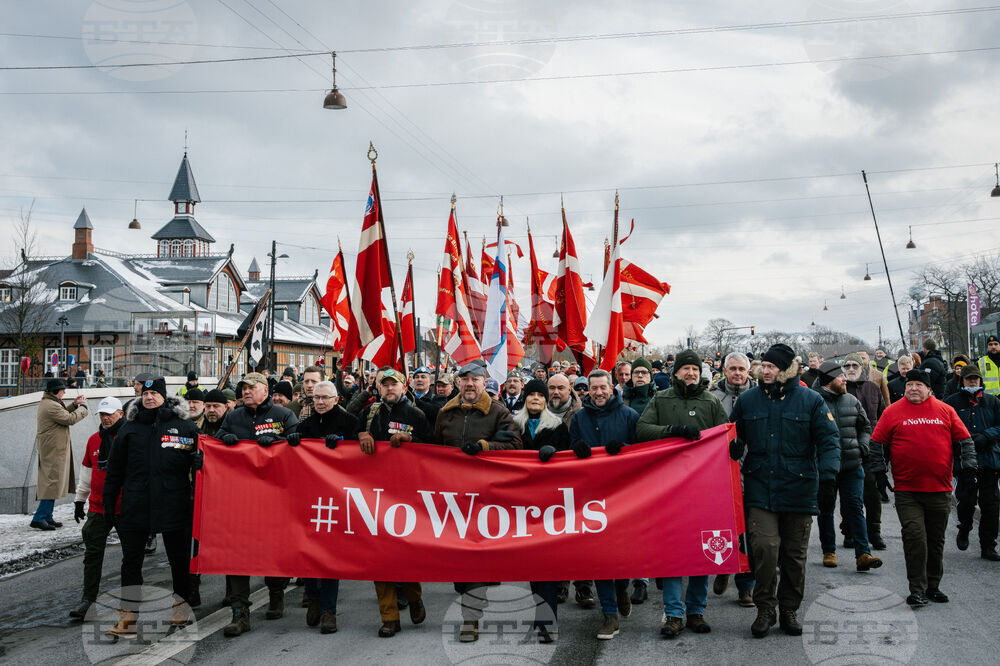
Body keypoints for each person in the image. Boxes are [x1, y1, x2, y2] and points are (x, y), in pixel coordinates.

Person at [730, 343, 840, 638]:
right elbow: (728, 434)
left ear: (788, 369)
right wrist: (733, 447)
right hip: (759, 487)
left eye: (771, 366)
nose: (765, 370)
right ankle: (765, 607)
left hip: (799, 488)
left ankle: (789, 608)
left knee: (794, 554)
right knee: (765, 548)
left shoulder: (811, 400)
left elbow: (829, 440)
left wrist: (828, 477)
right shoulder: (748, 401)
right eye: (763, 365)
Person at [636, 349, 728, 638]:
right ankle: (673, 614)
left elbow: (725, 434)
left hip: (704, 488)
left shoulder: (710, 401)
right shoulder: (661, 399)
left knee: (703, 550)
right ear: (675, 372)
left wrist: (733, 447)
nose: (690, 373)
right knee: (674, 552)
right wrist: (672, 431)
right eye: (686, 369)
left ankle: (696, 611)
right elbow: (642, 429)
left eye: (695, 370)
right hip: (669, 486)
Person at [868, 368, 977, 606]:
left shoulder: (945, 411)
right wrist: (878, 472)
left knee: (935, 539)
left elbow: (965, 441)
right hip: (908, 491)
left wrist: (968, 471)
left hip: (940, 489)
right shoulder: (893, 411)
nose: (913, 388)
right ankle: (916, 588)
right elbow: (876, 442)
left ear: (929, 388)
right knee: (915, 537)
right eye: (910, 384)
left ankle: (933, 586)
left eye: (919, 385)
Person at [102, 377, 200, 635]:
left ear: (164, 396)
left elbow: (200, 466)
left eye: (155, 393)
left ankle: (181, 607)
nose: (149, 397)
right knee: (130, 562)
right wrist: (109, 502)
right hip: (137, 504)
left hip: (174, 503)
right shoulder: (130, 429)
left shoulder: (184, 427)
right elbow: (115, 469)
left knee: (178, 560)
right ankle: (128, 617)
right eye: (145, 393)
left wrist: (199, 465)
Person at [434, 359, 522, 642]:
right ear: (458, 383)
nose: (469, 384)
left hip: (485, 497)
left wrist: (485, 447)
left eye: (475, 380)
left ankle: (470, 618)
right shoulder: (445, 413)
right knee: (457, 558)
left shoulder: (498, 413)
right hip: (452, 496)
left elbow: (515, 445)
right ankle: (468, 596)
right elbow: (433, 449)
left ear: (485, 383)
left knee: (474, 557)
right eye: (465, 380)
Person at [216, 372, 298, 637]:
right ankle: (240, 612)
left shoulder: (283, 415)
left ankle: (276, 593)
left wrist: (279, 442)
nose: (246, 392)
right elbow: (215, 443)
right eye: (243, 388)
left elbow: (301, 445)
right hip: (240, 496)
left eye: (251, 387)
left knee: (272, 550)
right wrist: (224, 441)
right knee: (238, 553)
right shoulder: (234, 416)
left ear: (265, 390)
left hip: (274, 495)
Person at [357, 369, 431, 637]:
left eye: (394, 384)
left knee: (405, 555)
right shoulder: (369, 414)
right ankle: (389, 617)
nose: (389, 388)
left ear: (403, 386)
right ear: (378, 387)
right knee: (379, 558)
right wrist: (360, 436)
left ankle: (413, 596)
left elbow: (433, 449)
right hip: (374, 495)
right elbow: (350, 433)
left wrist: (413, 442)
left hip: (407, 495)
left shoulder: (416, 415)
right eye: (384, 384)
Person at [568, 369, 639, 640]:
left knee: (622, 556)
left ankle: (622, 587)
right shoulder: (579, 418)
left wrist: (623, 448)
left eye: (602, 387)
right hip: (592, 499)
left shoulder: (629, 416)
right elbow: (571, 450)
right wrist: (578, 450)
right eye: (593, 388)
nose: (598, 392)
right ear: (588, 391)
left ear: (612, 388)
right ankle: (609, 615)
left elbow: (643, 452)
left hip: (624, 496)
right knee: (599, 558)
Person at [286, 381, 359, 634]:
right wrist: (292, 441)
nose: (319, 402)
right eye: (315, 398)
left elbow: (360, 460)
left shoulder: (349, 423)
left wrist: (342, 447)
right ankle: (312, 596)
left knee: (330, 558)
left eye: (325, 398)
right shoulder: (304, 426)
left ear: (336, 399)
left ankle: (329, 610)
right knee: (308, 554)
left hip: (335, 500)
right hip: (309, 498)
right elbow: (291, 461)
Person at [514, 378, 570, 643]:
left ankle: (548, 623)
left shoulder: (557, 426)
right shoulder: (514, 425)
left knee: (546, 562)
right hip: (521, 502)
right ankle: (541, 617)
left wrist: (555, 453)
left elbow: (569, 458)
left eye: (540, 395)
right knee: (531, 564)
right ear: (525, 398)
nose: (535, 398)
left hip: (549, 503)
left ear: (547, 399)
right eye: (531, 394)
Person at [813, 362, 882, 572]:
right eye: (840, 376)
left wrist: (863, 446)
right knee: (826, 510)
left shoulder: (851, 400)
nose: (845, 379)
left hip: (852, 465)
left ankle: (863, 553)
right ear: (828, 381)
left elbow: (865, 427)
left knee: (855, 507)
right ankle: (829, 551)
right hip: (825, 467)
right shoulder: (813, 403)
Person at [708, 352, 757, 606]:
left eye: (742, 369)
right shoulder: (713, 397)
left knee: (749, 530)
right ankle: (724, 566)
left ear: (749, 371)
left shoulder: (759, 397)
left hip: (752, 470)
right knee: (724, 526)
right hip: (721, 471)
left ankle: (746, 586)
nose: (738, 373)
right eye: (733, 369)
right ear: (725, 370)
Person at [69, 397, 124, 619]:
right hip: (98, 507)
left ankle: (130, 601)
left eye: (109, 414)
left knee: (131, 556)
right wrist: (80, 500)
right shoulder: (94, 440)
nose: (105, 418)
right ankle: (88, 601)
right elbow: (87, 473)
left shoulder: (128, 437)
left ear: (120, 413)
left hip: (124, 507)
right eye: (102, 414)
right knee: (92, 554)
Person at [944, 364, 1000, 561]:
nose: (973, 381)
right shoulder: (952, 402)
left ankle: (988, 545)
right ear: (963, 380)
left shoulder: (992, 402)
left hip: (989, 459)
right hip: (964, 460)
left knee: (991, 505)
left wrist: (987, 435)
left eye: (976, 378)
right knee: (966, 500)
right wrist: (965, 439)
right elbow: (945, 427)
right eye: (969, 378)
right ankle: (964, 528)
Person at [843, 352, 887, 549]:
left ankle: (874, 532)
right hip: (848, 448)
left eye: (855, 365)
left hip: (872, 448)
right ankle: (850, 532)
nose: (851, 369)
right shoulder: (840, 388)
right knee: (850, 495)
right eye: (848, 365)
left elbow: (882, 416)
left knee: (872, 493)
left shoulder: (872, 387)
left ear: (862, 367)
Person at [32, 378, 89, 530]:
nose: (64, 392)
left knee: (54, 483)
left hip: (53, 449)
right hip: (53, 450)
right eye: (62, 390)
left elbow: (63, 413)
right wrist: (83, 408)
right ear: (55, 391)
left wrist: (75, 405)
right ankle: (39, 517)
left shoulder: (50, 402)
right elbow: (69, 419)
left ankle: (47, 516)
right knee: (51, 483)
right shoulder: (50, 405)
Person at [622, 357, 657, 421]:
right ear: (631, 375)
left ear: (650, 376)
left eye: (644, 372)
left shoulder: (659, 399)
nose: (640, 375)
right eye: (636, 372)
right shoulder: (621, 401)